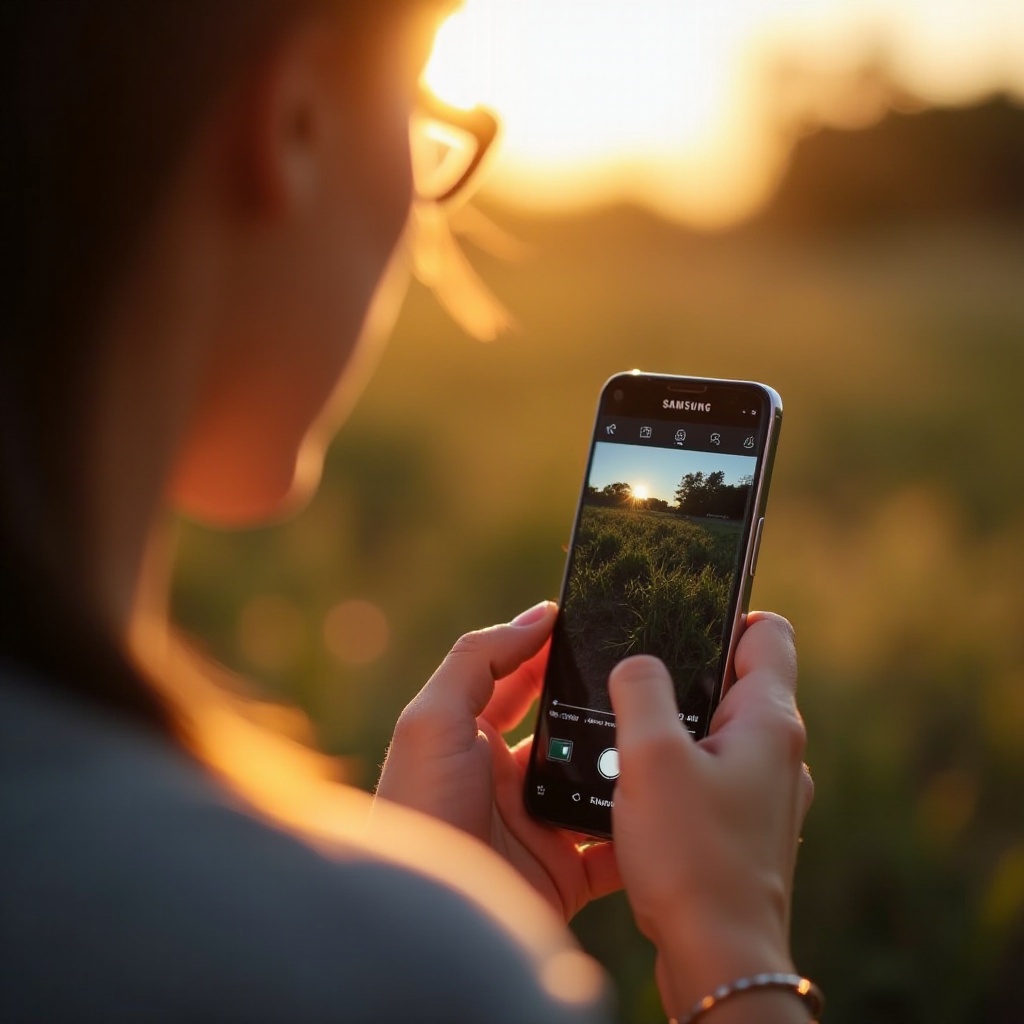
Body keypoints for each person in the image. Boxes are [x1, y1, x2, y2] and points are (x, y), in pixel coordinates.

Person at [0, 2, 816, 1022]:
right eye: (421, 103)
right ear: (293, 118)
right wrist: (729, 939)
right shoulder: (393, 968)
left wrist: (419, 886)